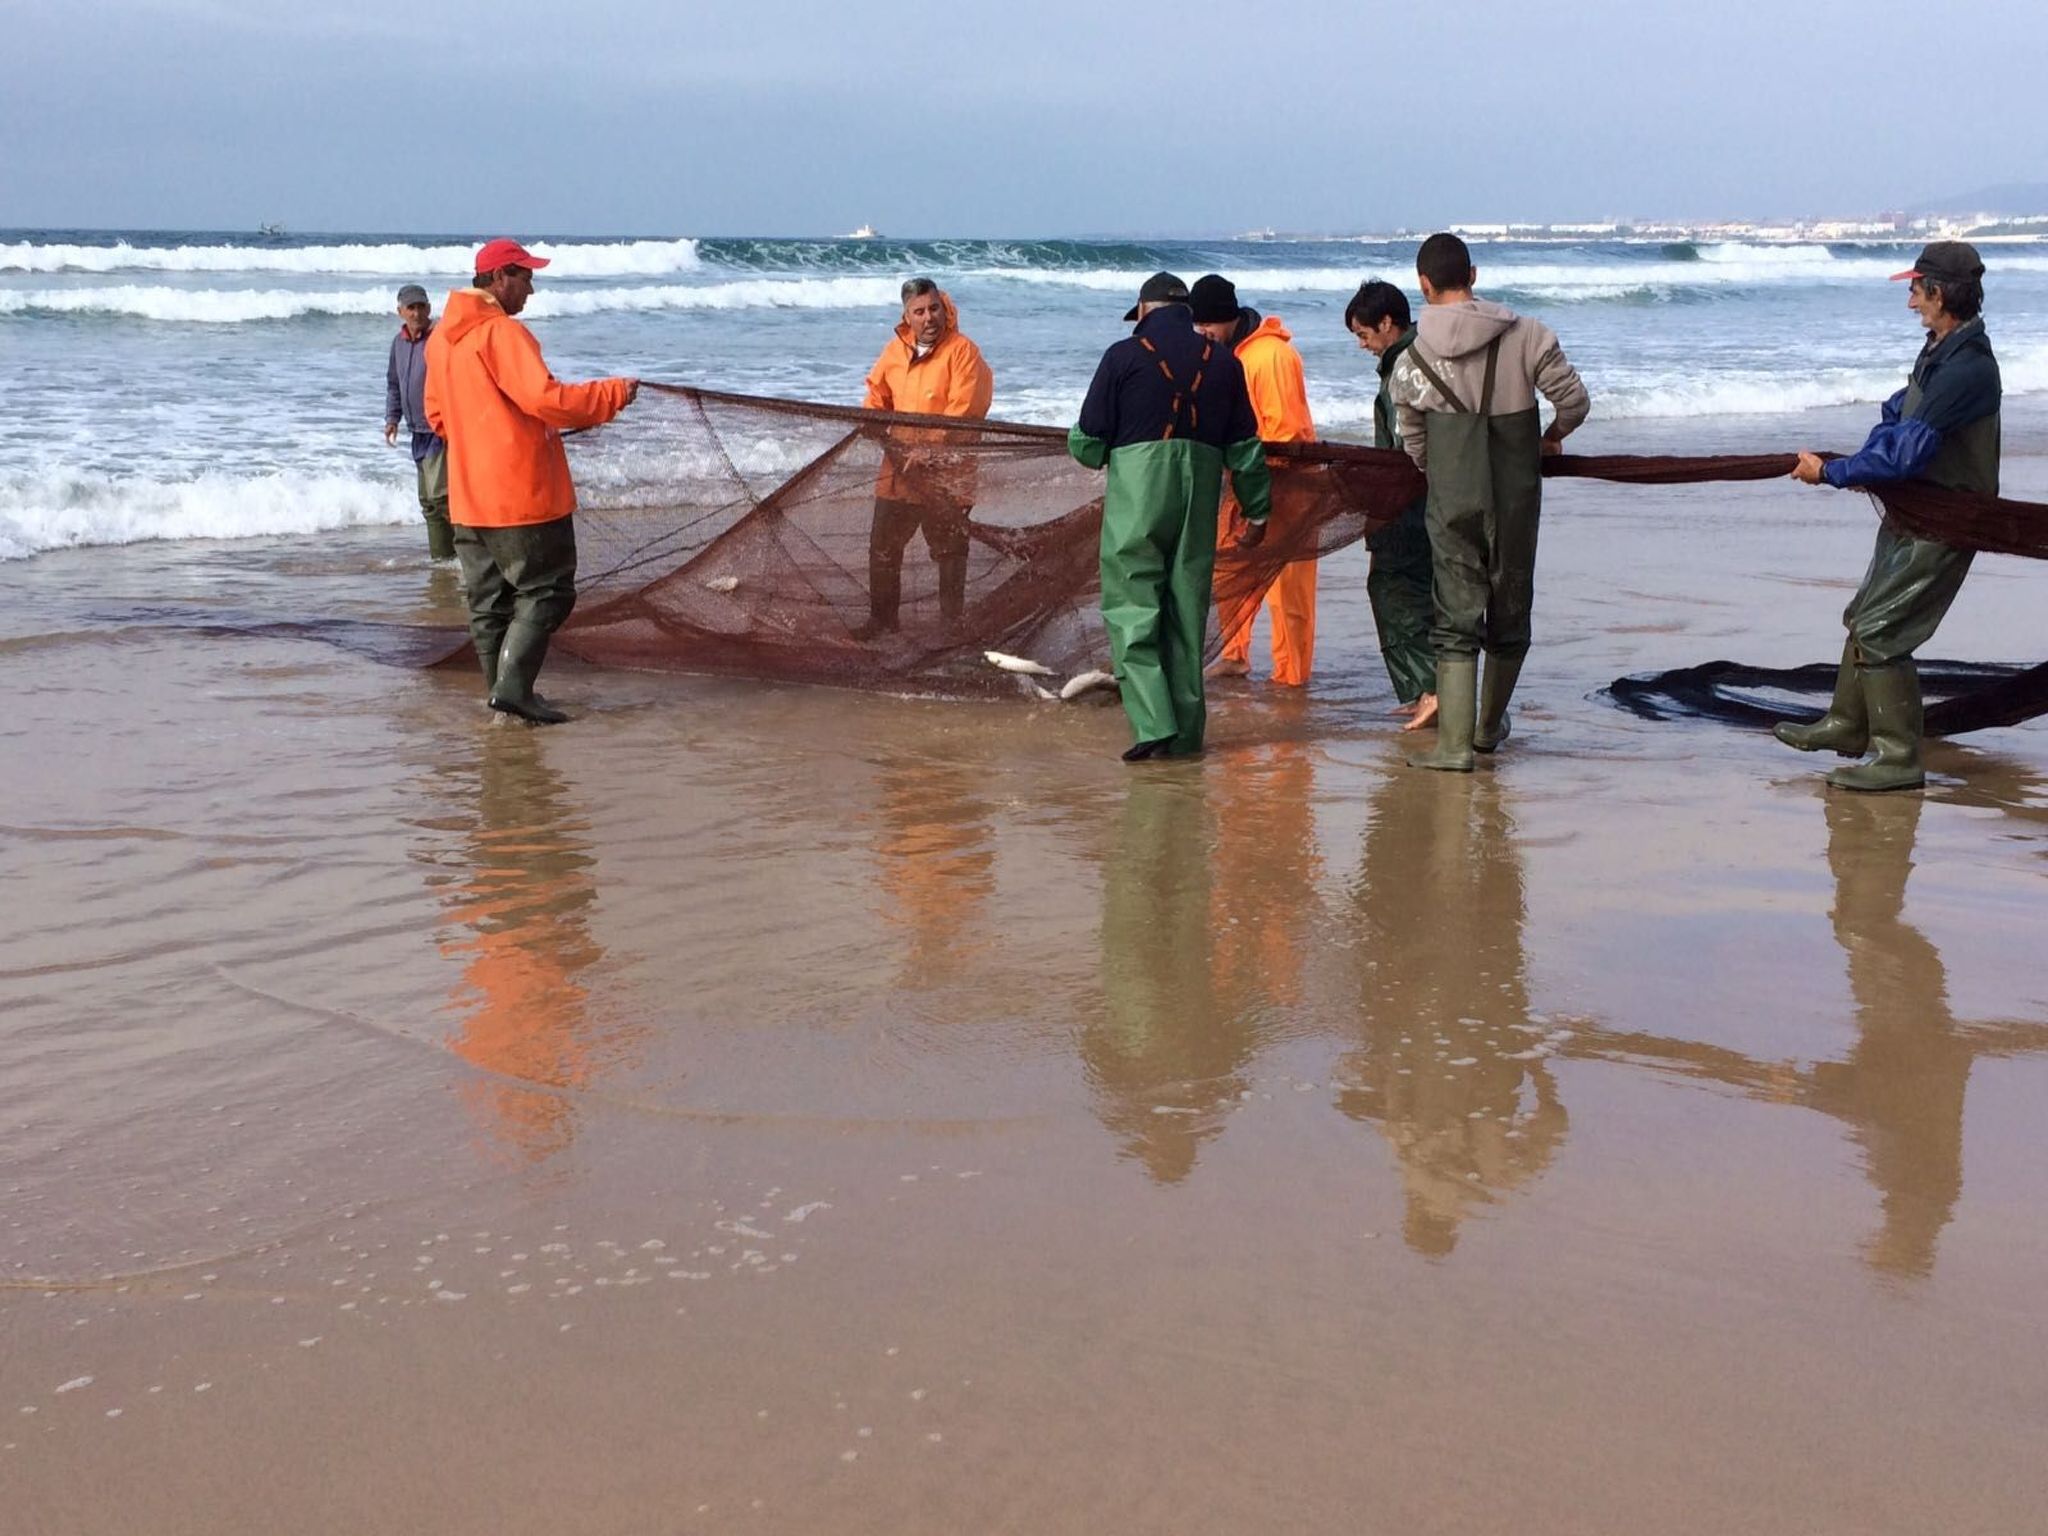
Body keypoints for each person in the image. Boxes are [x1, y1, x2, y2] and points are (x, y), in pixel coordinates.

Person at [1777, 241, 2001, 792]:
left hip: (1947, 518)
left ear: (1940, 293)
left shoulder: (1968, 369)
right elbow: (1894, 415)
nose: (1909, 301)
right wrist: (1858, 460)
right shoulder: (1941, 350)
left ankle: (1899, 758)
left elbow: (1906, 454)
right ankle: (1848, 725)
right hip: (1915, 509)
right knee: (1864, 615)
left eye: (1915, 289)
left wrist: (1831, 473)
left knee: (1883, 632)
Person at [1389, 233, 1589, 772]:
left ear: (1423, 285)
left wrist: (1443, 472)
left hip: (1452, 499)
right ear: (1472, 275)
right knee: (1510, 607)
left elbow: (1413, 441)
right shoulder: (1529, 336)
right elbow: (1574, 400)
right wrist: (1552, 436)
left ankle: (1453, 748)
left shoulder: (1410, 359)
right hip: (1516, 496)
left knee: (1454, 615)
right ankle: (1487, 728)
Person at [424, 238, 637, 725]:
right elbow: (548, 400)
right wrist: (614, 393)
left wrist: (484, 435)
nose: (532, 289)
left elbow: (436, 416)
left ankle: (502, 699)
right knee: (547, 591)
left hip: (469, 497)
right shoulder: (501, 334)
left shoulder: (443, 340)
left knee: (489, 604)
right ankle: (514, 692)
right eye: (525, 277)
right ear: (499, 278)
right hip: (522, 496)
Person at [1069, 272, 1273, 760]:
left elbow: (1087, 441)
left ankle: (1152, 722)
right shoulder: (1225, 363)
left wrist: (1108, 453)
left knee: (1132, 602)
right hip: (1200, 491)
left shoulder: (1121, 356)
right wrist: (1258, 511)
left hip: (1140, 492)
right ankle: (1185, 735)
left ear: (1143, 311)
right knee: (1186, 606)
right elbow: (1246, 450)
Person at [1188, 274, 1317, 688]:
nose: (1201, 332)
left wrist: (1259, 489)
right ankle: (1234, 655)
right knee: (1228, 574)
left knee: (1288, 594)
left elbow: (1286, 434)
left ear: (1228, 319)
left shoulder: (1270, 357)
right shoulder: (1228, 355)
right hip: (1242, 486)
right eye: (1196, 324)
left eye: (1207, 323)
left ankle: (1292, 678)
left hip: (1289, 489)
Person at [859, 279, 993, 633]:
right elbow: (877, 393)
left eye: (934, 308)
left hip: (948, 473)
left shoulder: (964, 351)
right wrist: (870, 416)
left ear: (943, 308)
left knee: (949, 551)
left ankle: (952, 625)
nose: (928, 317)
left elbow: (965, 410)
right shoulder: (894, 351)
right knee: (883, 548)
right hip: (899, 470)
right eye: (919, 311)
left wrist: (930, 447)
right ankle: (882, 621)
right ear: (907, 315)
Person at [1346, 279, 1438, 730]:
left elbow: (1407, 444)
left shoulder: (1402, 368)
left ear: (1387, 324)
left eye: (1364, 335)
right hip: (1433, 501)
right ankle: (1426, 689)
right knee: (1423, 593)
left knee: (1395, 589)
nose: (1363, 345)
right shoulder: (1424, 353)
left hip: (1411, 505)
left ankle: (1430, 689)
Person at [384, 283, 453, 561]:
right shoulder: (398, 343)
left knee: (440, 498)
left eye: (421, 306)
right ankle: (442, 561)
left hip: (439, 429)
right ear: (400, 311)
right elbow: (393, 383)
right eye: (410, 308)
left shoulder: (440, 338)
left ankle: (464, 558)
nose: (416, 313)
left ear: (429, 308)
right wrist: (392, 418)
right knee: (428, 502)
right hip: (416, 431)